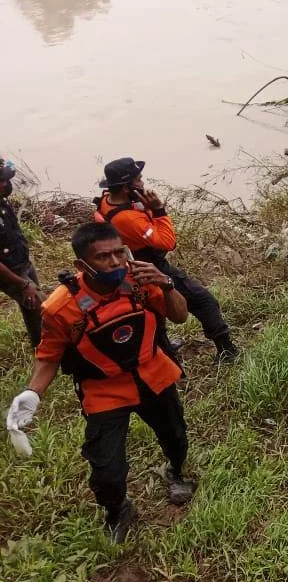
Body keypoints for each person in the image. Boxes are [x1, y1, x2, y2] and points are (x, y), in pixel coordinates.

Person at [4, 222, 197, 543]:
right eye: (104, 257)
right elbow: (49, 355)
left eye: (120, 252)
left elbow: (179, 317)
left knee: (176, 436)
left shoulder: (140, 282)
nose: (116, 262)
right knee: (105, 469)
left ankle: (174, 471)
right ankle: (118, 510)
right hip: (104, 392)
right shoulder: (60, 307)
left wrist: (166, 284)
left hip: (155, 375)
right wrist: (31, 393)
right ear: (82, 265)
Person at [94, 157, 239, 363]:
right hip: (150, 266)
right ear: (127, 187)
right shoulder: (128, 219)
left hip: (131, 266)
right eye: (138, 179)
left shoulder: (106, 200)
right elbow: (167, 242)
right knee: (203, 301)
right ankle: (227, 350)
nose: (143, 183)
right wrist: (158, 209)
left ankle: (165, 351)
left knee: (153, 313)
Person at [0, 158, 42, 347]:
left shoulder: (2, 201)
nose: (6, 184)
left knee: (35, 308)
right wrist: (23, 284)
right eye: (2, 181)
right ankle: (44, 351)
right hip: (10, 273)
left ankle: (41, 344)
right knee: (40, 307)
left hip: (21, 264)